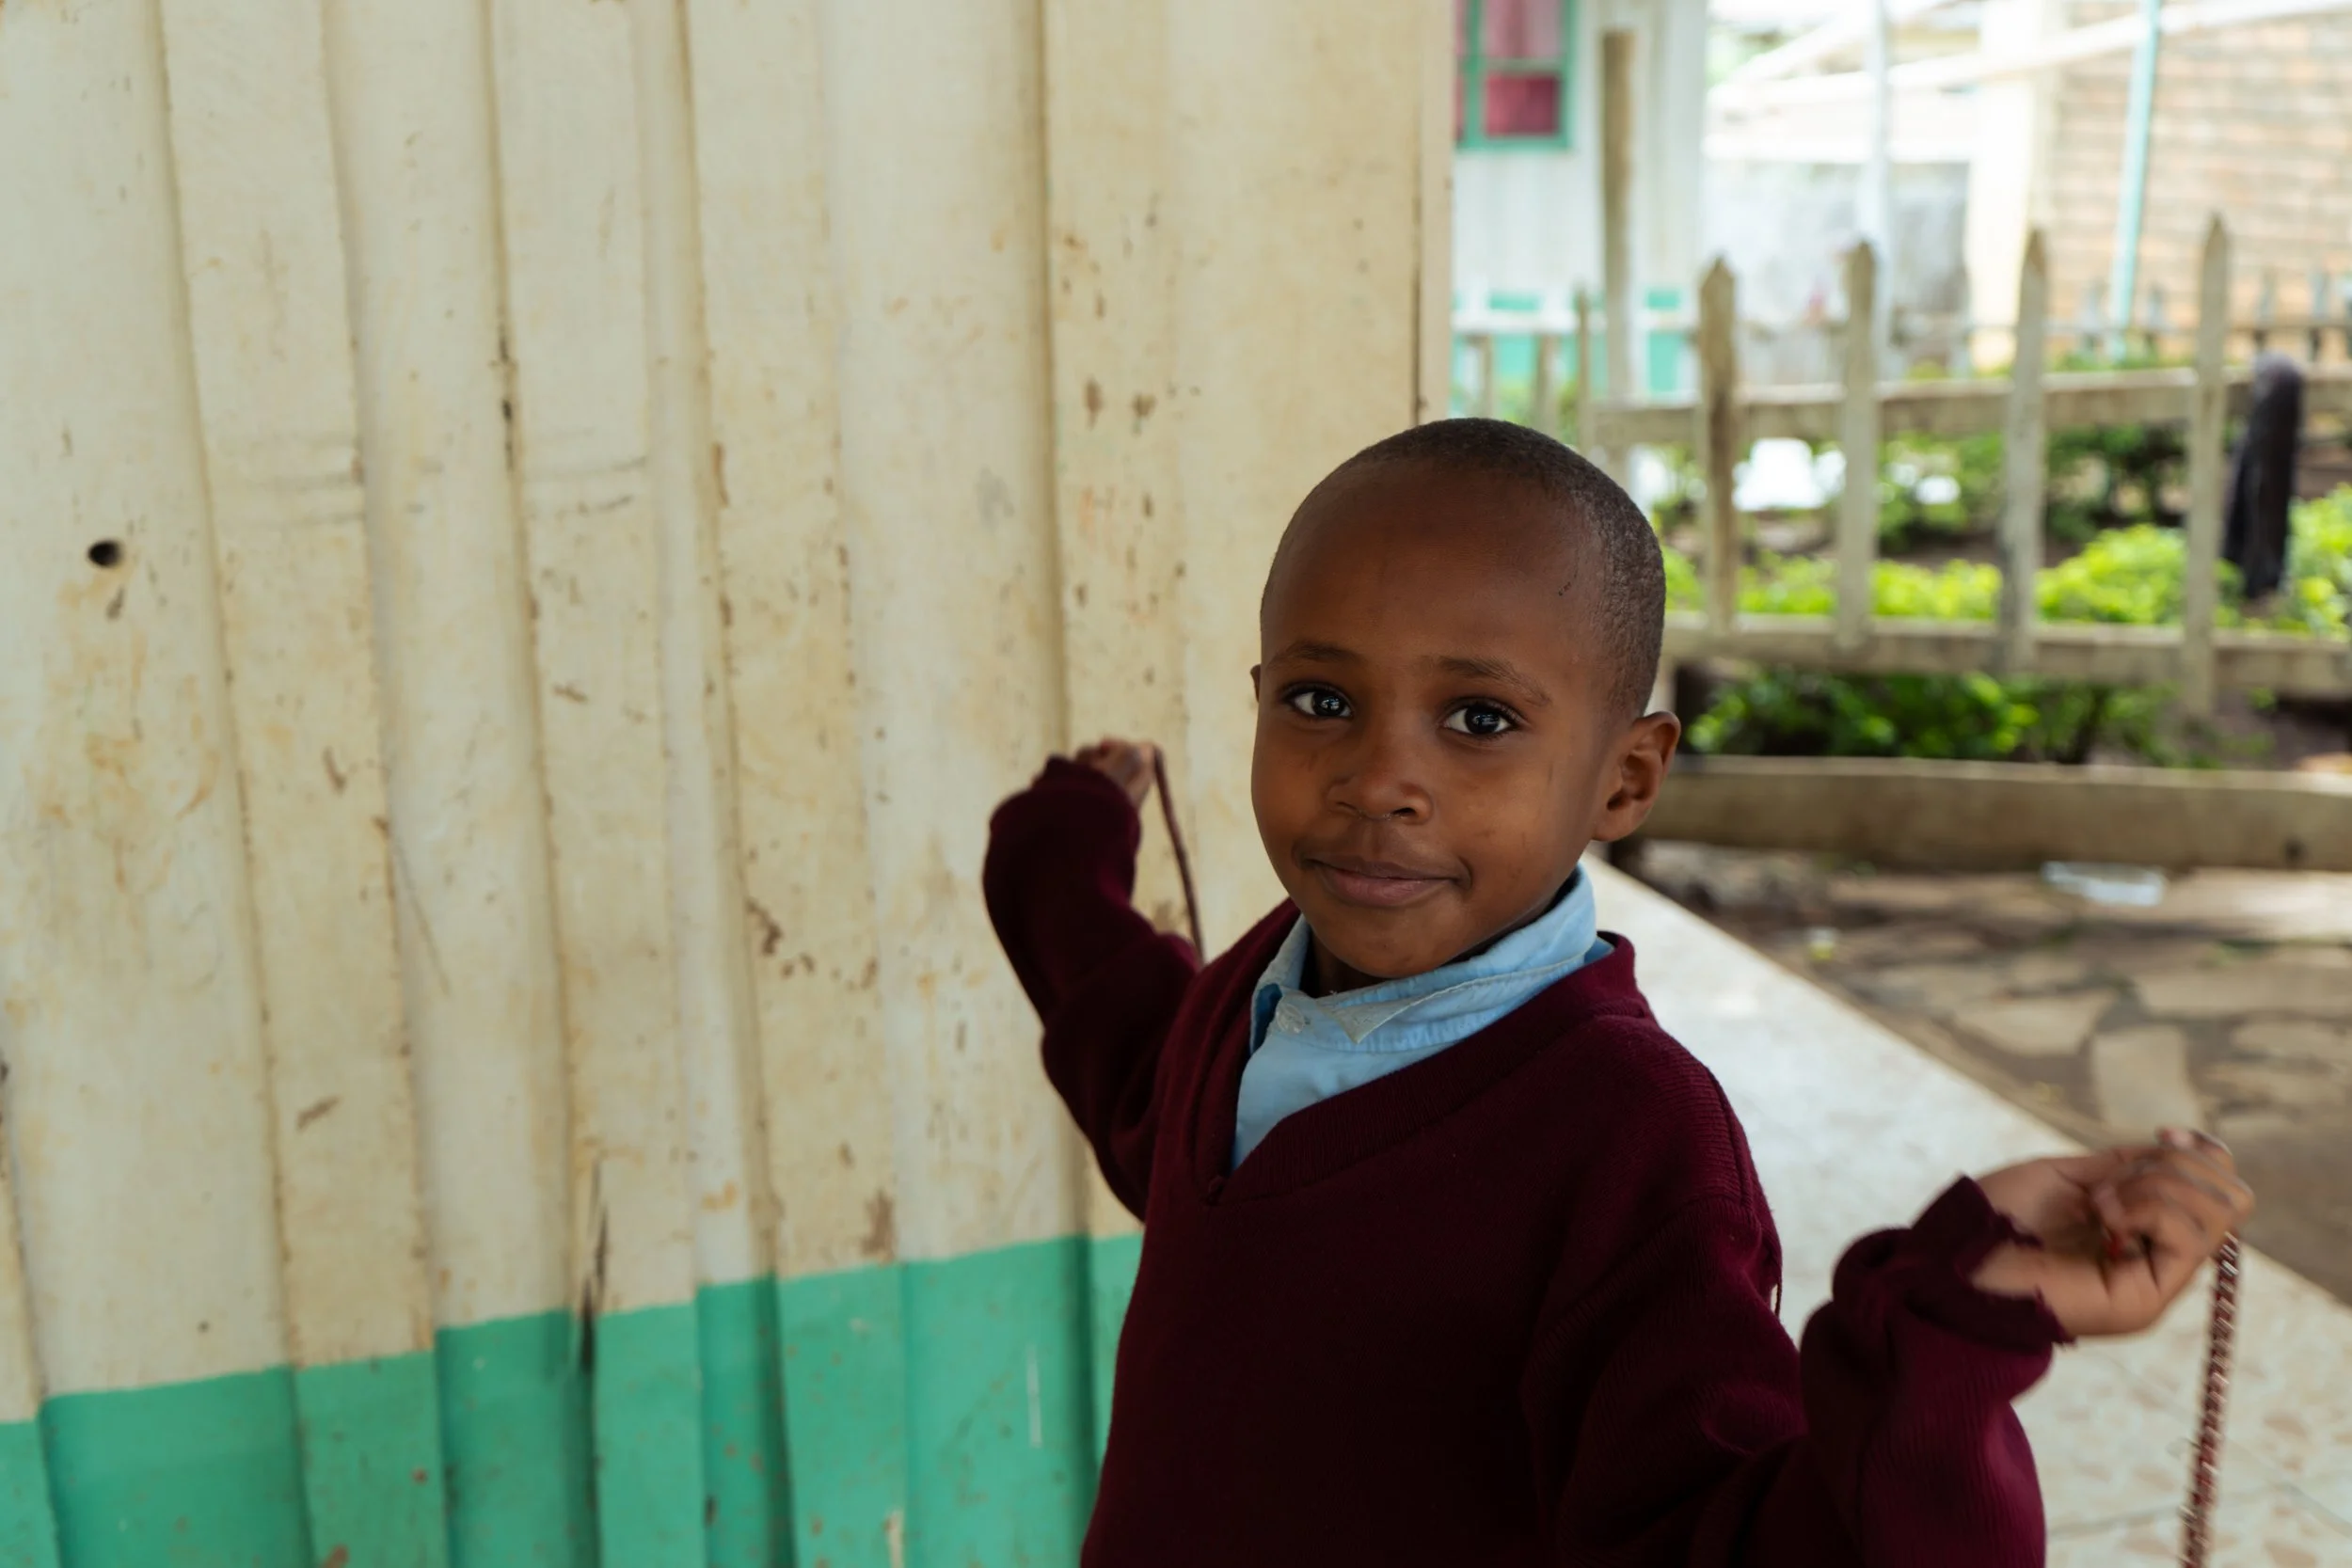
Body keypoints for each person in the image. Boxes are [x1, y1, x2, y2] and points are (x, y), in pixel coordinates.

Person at [981, 418, 2252, 1566]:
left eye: (1478, 718)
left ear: (1626, 779)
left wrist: (1945, 1342)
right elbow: (1145, 1073)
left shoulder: (1628, 1143)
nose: (1378, 778)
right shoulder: (1268, 982)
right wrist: (1063, 849)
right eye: (1322, 701)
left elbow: (1725, 1533)